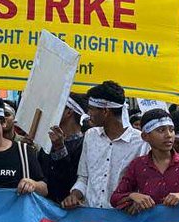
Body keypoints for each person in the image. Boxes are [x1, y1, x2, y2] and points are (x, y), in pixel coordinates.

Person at [62, 81, 146, 209]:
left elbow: (143, 185)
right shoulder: (90, 136)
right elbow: (83, 179)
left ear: (106, 111)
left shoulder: (140, 142)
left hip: (122, 220)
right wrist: (75, 195)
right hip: (90, 217)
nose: (88, 114)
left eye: (91, 109)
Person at [110, 109, 179, 212]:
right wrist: (133, 196)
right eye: (161, 130)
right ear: (145, 136)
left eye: (171, 129)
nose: (169, 135)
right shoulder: (138, 165)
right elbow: (115, 198)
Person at [44, 94, 88, 202]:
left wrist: (60, 149)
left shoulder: (86, 144)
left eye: (57, 107)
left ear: (69, 112)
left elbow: (72, 180)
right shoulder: (47, 141)